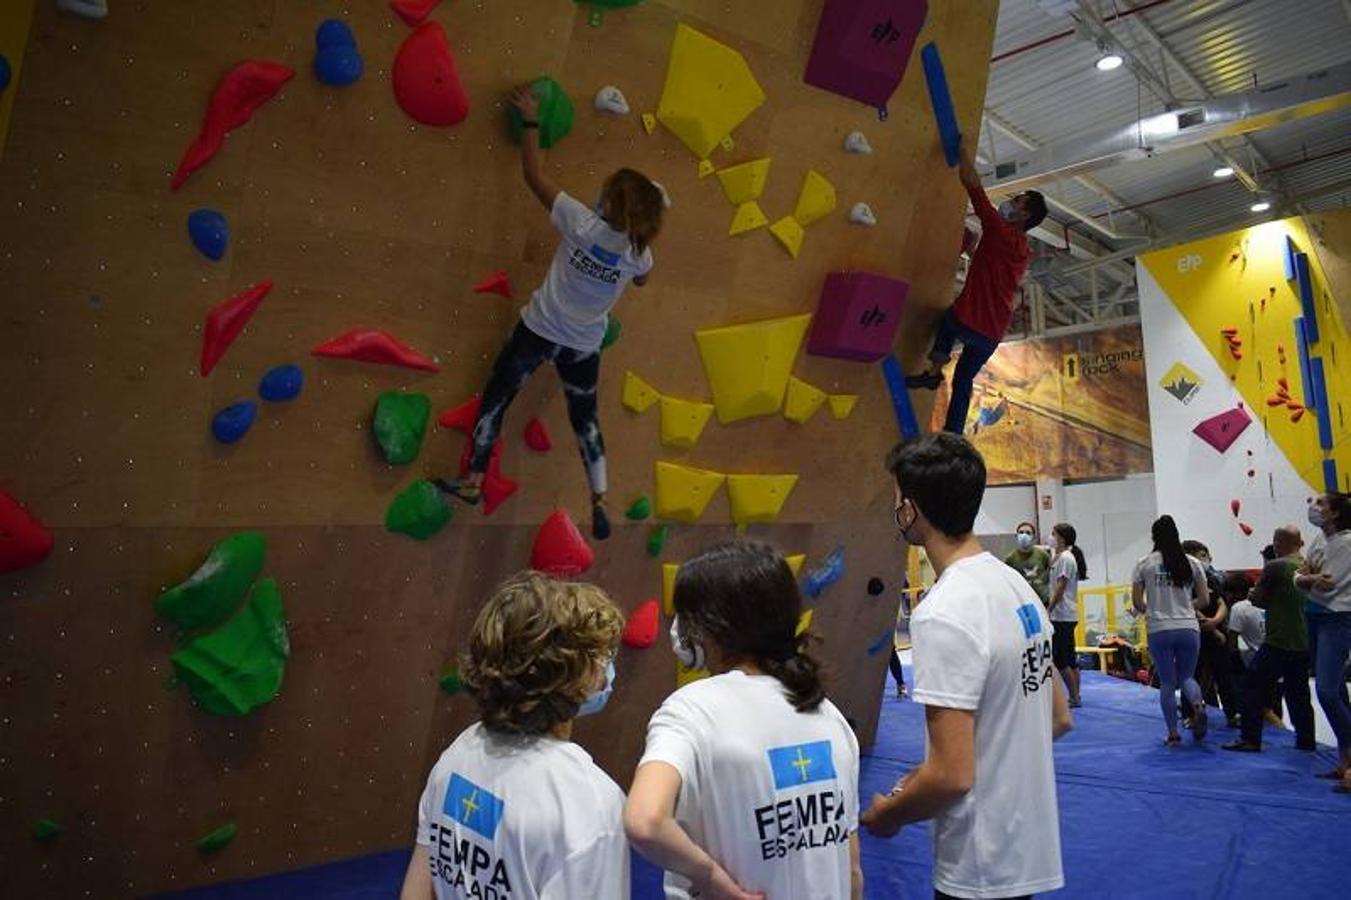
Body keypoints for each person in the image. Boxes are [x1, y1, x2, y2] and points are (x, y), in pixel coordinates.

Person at [437, 85, 664, 540]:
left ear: (608, 203)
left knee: (497, 399)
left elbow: (532, 172)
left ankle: (474, 478)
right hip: (582, 345)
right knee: (586, 420)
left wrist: (532, 119)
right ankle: (599, 498)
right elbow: (642, 279)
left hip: (539, 329)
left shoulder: (579, 222)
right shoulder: (638, 253)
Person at [862, 433, 1070, 900]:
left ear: (910, 510)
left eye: (897, 499)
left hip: (981, 858)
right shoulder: (1015, 585)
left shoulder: (944, 612)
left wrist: (888, 815)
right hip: (1025, 840)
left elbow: (952, 776)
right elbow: (1056, 717)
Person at [625, 541, 862, 900]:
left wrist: (713, 880)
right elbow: (852, 870)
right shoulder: (828, 715)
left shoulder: (690, 710)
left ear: (710, 625)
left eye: (685, 617)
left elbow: (644, 820)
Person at [401, 573, 627, 900]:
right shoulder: (590, 801)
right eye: (599, 658)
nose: (606, 667)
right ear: (571, 676)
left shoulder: (457, 755)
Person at [905, 139, 1047, 434]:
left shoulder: (1000, 230)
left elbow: (973, 185)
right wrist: (971, 248)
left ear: (1024, 215)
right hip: (992, 333)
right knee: (963, 380)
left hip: (970, 320)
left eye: (1018, 201)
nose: (1012, 202)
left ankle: (932, 374)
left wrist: (963, 152)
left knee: (946, 321)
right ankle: (953, 433)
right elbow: (990, 266)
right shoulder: (1022, 249)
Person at [1222, 526, 1316, 753]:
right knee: (1298, 694)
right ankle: (1306, 741)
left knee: (1251, 688)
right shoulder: (1306, 566)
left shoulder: (1276, 567)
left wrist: (1254, 596)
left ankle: (1250, 738)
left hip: (1278, 640)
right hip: (1302, 640)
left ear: (1277, 543)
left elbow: (1260, 599)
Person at [1132, 515, 1212, 745]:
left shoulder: (1144, 564)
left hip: (1159, 629)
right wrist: (1185, 607)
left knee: (1167, 682)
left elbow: (1138, 603)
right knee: (1187, 676)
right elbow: (1205, 599)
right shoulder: (1192, 563)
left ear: (1153, 536)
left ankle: (1173, 734)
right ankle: (1197, 704)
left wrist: (1155, 608)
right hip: (1188, 627)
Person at [1295, 492, 1351, 782]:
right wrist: (1307, 579)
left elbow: (1327, 585)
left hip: (1336, 618)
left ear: (1336, 513)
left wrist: (1306, 580)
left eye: (1321, 504)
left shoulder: (1347, 543)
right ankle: (1345, 762)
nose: (1314, 507)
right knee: (1336, 689)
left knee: (1327, 692)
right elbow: (1302, 577)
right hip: (1315, 616)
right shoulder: (1318, 540)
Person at [1180, 540, 1236, 729]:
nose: (1206, 559)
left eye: (1206, 555)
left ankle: (1232, 714)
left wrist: (1216, 622)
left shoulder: (1210, 578)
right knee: (1192, 675)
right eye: (1201, 555)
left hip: (1216, 632)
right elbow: (1186, 605)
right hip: (1195, 634)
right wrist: (1211, 628)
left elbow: (1221, 603)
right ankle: (1190, 714)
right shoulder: (1183, 580)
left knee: (1225, 675)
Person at [1046, 523, 1086, 708]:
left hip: (1062, 615)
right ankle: (1075, 695)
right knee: (1069, 656)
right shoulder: (1058, 557)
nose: (1051, 537)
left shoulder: (1066, 559)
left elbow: (1060, 588)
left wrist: (1049, 609)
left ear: (1061, 537)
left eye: (1053, 534)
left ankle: (1074, 695)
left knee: (1060, 658)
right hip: (1064, 614)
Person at [1005, 521, 1052, 606]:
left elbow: (1049, 574)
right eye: (1021, 532)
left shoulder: (1043, 555)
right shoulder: (1010, 559)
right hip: (1022, 601)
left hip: (1042, 601)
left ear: (1033, 537)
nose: (1024, 535)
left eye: (1028, 533)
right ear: (1016, 536)